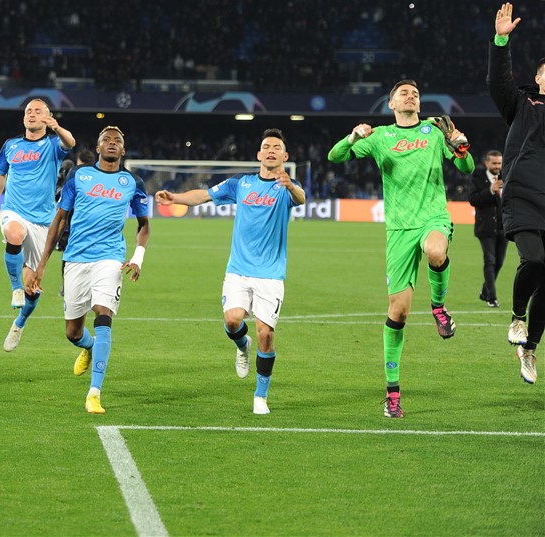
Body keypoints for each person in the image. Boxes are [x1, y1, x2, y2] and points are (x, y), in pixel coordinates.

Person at [328, 81, 475, 417]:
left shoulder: (435, 131)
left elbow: (466, 169)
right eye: (404, 93)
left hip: (433, 217)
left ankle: (438, 308)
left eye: (416, 94)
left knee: (436, 250)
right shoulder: (380, 137)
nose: (411, 96)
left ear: (419, 104)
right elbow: (334, 156)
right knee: (399, 313)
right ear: (391, 103)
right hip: (398, 230)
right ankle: (392, 393)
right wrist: (353, 137)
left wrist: (460, 147)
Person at [156, 129, 304, 415]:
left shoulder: (288, 186)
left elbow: (301, 198)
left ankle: (260, 396)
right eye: (266, 146)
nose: (271, 150)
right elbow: (205, 195)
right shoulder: (242, 183)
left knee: (266, 335)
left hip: (270, 274)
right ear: (259, 154)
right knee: (233, 321)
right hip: (238, 269)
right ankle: (242, 345)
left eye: (277, 147)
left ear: (285, 156)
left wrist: (290, 186)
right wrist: (175, 198)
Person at [28, 126, 149, 414]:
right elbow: (60, 219)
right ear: (97, 148)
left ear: (123, 150)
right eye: (106, 139)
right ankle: (89, 347)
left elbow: (143, 225)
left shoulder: (132, 182)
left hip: (110, 258)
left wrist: (138, 257)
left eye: (117, 140)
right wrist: (41, 265)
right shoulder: (78, 176)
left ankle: (94, 393)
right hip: (76, 259)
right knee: (73, 333)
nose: (112, 143)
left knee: (103, 314)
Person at [0, 98, 75, 352]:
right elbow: (0, 174)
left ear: (47, 117)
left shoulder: (52, 144)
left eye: (38, 111)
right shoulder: (11, 145)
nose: (31, 114)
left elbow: (71, 143)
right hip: (14, 210)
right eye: (28, 111)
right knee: (14, 233)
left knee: (33, 287)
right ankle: (15, 288)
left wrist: (57, 127)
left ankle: (20, 322)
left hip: (43, 221)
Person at [487, 2, 545, 385]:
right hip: (522, 195)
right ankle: (517, 317)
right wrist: (500, 42)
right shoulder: (522, 103)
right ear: (538, 78)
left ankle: (530, 350)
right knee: (535, 259)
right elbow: (498, 83)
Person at [467, 150, 507, 308]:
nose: (497, 166)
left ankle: (485, 292)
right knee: (490, 261)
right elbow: (473, 199)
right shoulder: (478, 178)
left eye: (499, 163)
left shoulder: (506, 177)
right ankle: (492, 297)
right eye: (494, 163)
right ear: (486, 163)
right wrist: (490, 190)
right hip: (485, 228)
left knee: (499, 263)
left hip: (503, 227)